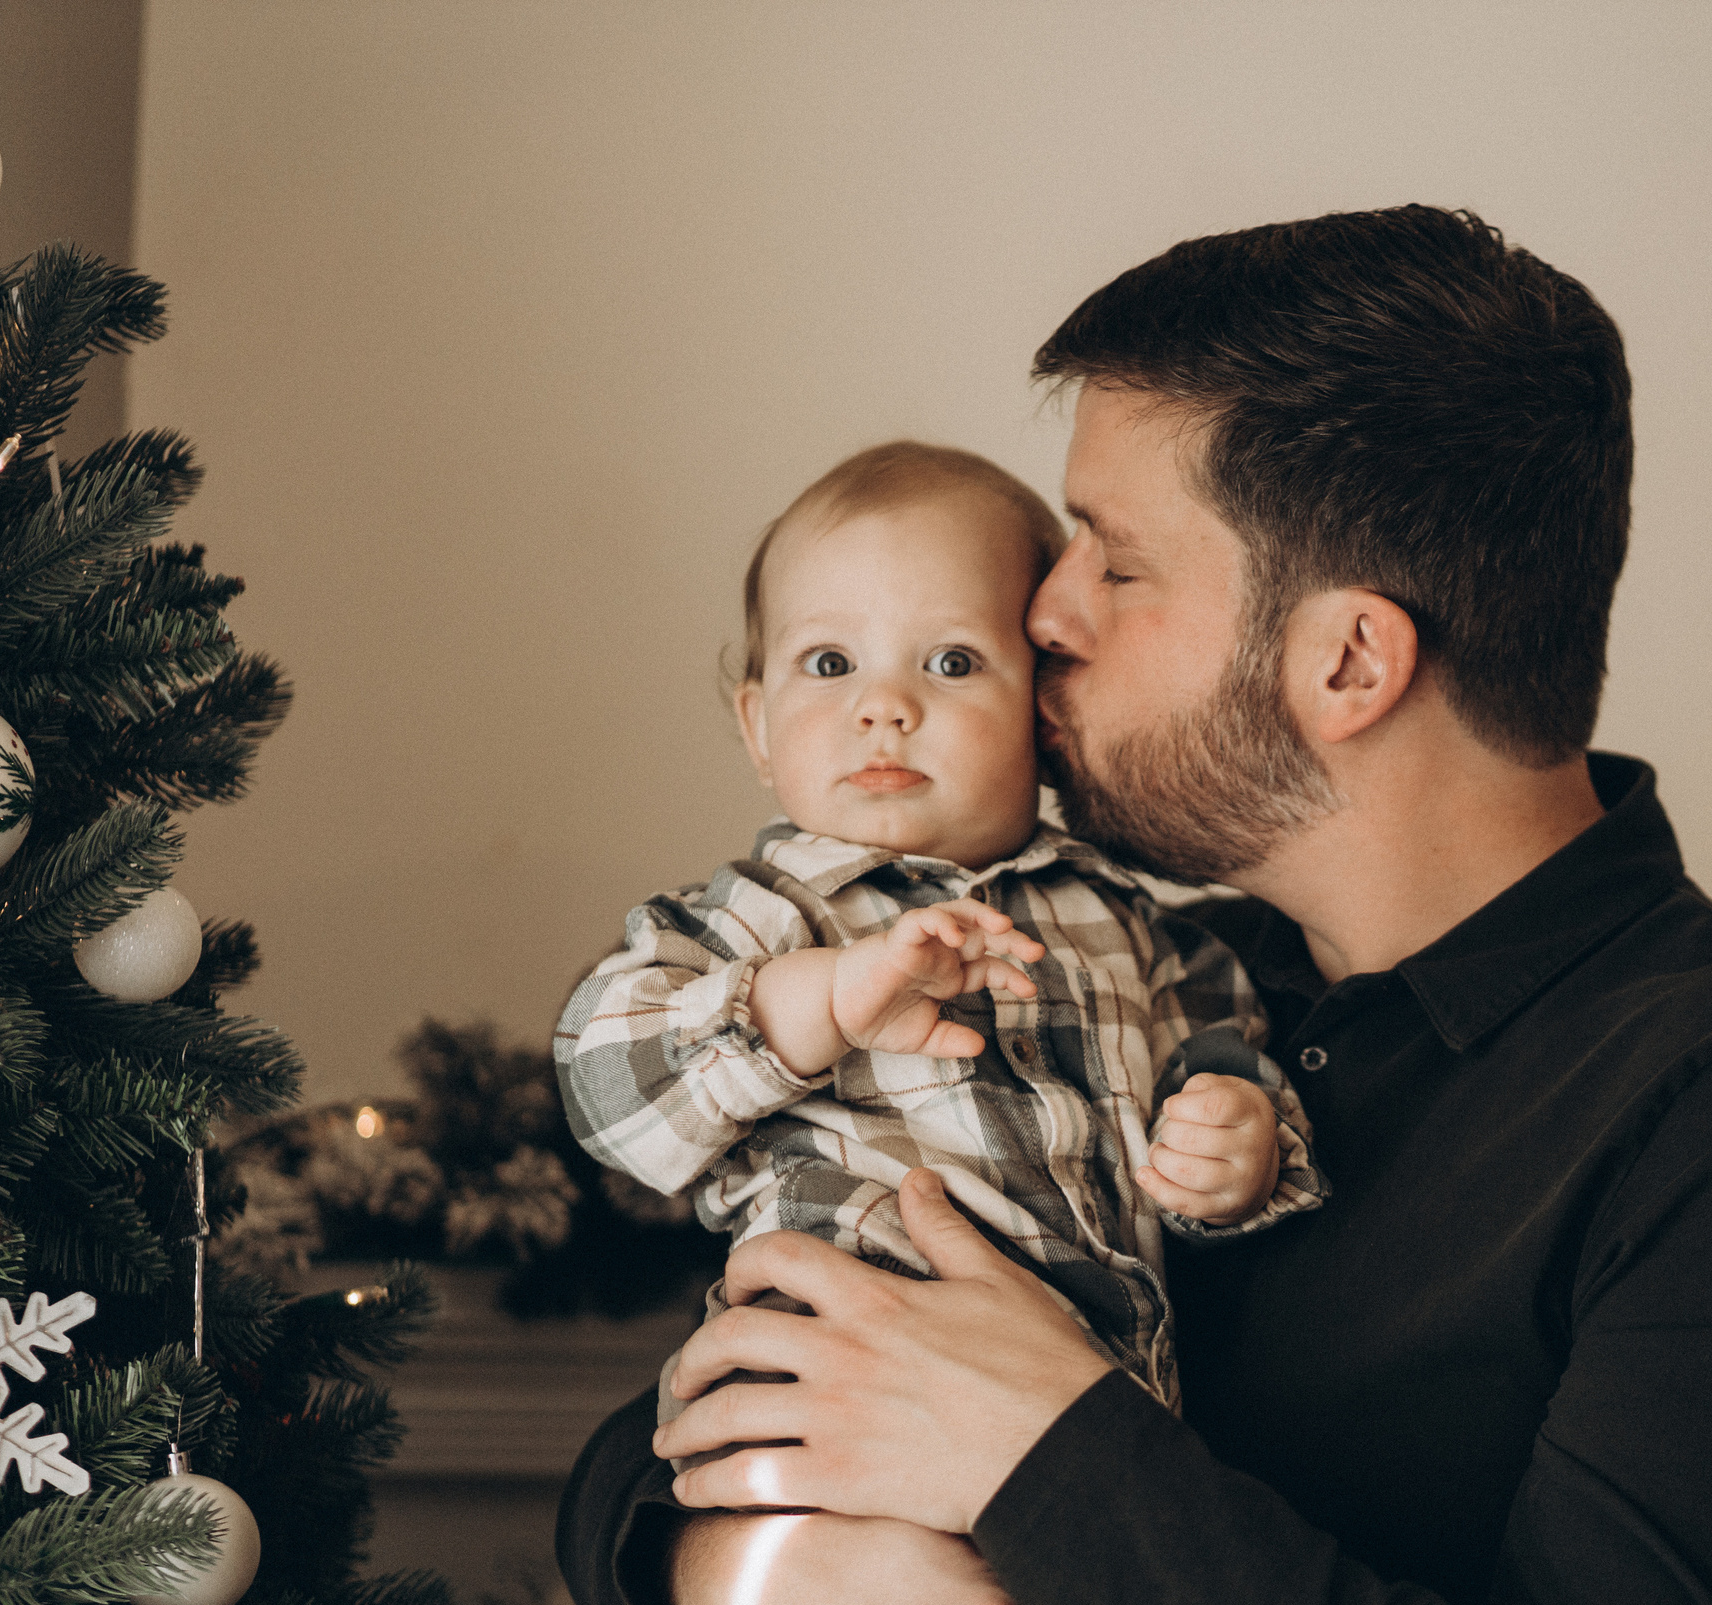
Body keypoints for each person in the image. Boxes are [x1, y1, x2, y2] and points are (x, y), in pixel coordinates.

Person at [557, 206, 1712, 1605]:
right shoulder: (1147, 972)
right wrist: (744, 1591)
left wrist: (1051, 1453)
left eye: (1115, 563)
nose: (1042, 613)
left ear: (1348, 660)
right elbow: (663, 1429)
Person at [554, 440, 1328, 1449]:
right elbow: (606, 1090)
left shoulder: (1137, 926)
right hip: (829, 1397)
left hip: (1096, 1420)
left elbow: (1221, 1061)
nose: (884, 706)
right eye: (829, 664)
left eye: (951, 662)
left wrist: (1236, 1147)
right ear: (758, 725)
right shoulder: (761, 916)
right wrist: (821, 1000)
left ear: (1045, 714)